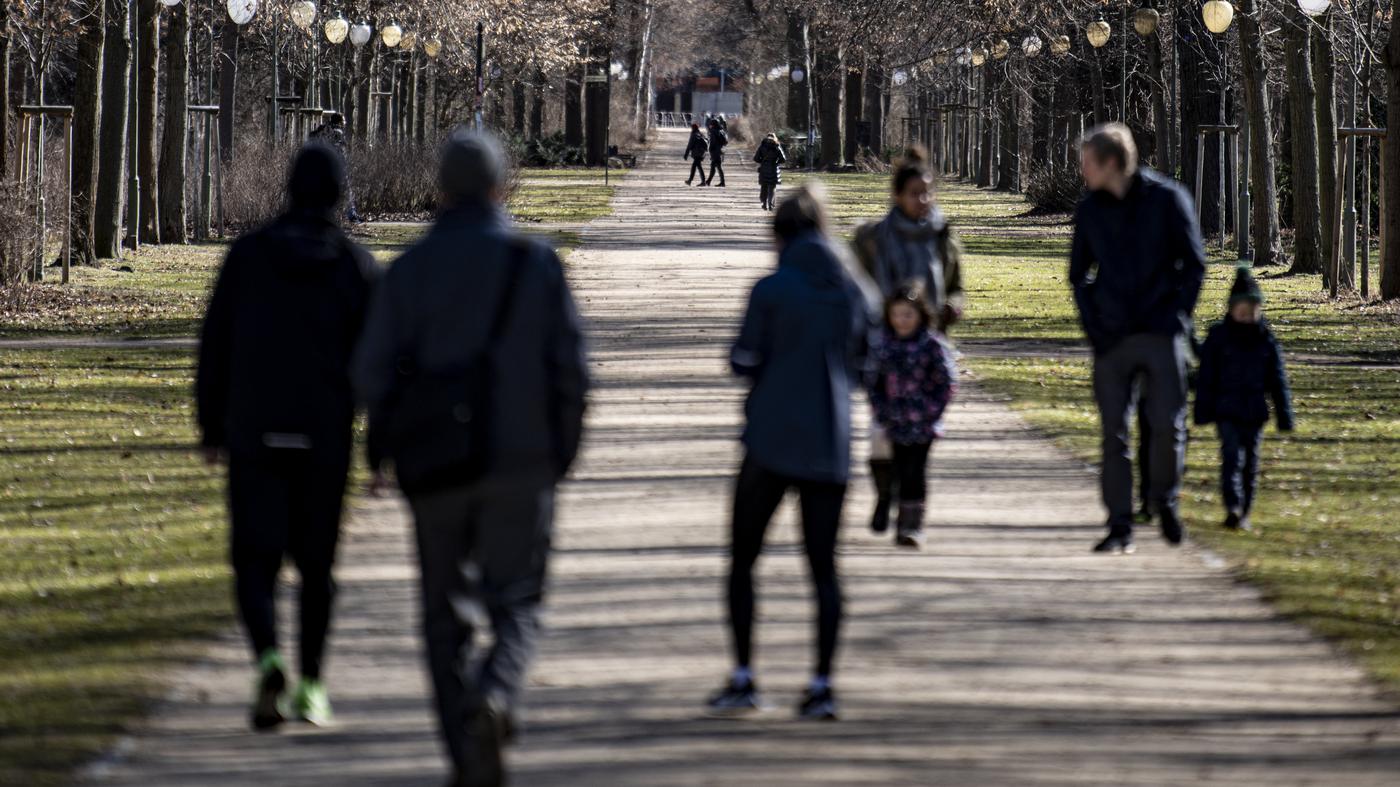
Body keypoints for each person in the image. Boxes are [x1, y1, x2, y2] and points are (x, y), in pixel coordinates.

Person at [353, 129, 588, 787]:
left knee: (441, 616)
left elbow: (370, 372)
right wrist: (559, 450)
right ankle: (498, 691)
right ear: (499, 187)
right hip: (522, 460)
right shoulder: (535, 264)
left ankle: (465, 752)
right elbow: (571, 370)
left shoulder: (409, 270)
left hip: (436, 467)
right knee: (517, 598)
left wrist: (391, 446)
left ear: (440, 192)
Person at [195, 143, 376, 731]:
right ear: (338, 193)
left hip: (255, 429)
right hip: (324, 435)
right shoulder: (354, 265)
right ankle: (313, 686)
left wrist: (210, 425)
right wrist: (380, 443)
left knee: (254, 559)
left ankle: (268, 655)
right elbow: (375, 360)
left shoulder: (247, 257)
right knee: (317, 566)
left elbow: (215, 343)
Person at [707, 184, 877, 722]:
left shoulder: (771, 289)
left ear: (779, 235)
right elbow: (867, 364)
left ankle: (744, 676)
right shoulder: (855, 292)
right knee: (824, 569)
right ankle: (822, 683)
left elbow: (743, 359)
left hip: (770, 439)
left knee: (743, 560)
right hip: (829, 441)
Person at [1070, 123, 1206, 554]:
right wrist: (1094, 327)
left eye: (1086, 163)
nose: (1081, 171)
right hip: (1112, 339)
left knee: (1168, 426)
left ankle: (1164, 499)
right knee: (1114, 434)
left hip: (1160, 332)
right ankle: (1119, 524)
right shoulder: (1090, 210)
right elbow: (1078, 275)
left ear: (1111, 163)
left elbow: (1195, 263)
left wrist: (1175, 316)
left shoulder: (1168, 200)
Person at [851, 147, 964, 538]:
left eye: (928, 192)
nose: (924, 200)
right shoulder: (873, 239)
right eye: (916, 192)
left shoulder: (941, 235)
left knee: (918, 445)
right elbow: (857, 289)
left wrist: (952, 305)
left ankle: (910, 519)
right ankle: (886, 494)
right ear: (897, 195)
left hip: (925, 354)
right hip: (885, 350)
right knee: (882, 439)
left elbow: (955, 285)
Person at [1194, 266, 1294, 532]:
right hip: (1225, 410)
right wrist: (1202, 411)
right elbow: (1206, 377)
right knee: (1231, 457)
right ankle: (1233, 506)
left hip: (1254, 412)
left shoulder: (1265, 340)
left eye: (1252, 310)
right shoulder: (1219, 338)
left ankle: (1245, 510)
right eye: (1242, 309)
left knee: (1251, 462)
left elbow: (1278, 380)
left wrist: (1284, 414)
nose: (1247, 315)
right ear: (1230, 309)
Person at [867, 284, 958, 548]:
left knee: (915, 471)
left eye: (908, 315)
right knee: (894, 466)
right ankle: (890, 507)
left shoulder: (931, 345)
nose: (902, 321)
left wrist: (932, 411)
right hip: (893, 420)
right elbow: (874, 383)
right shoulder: (884, 346)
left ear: (920, 315)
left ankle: (911, 525)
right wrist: (882, 410)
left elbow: (947, 383)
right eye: (896, 315)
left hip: (924, 423)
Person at [310, 113, 362, 223]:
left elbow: (312, 138)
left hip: (320, 167)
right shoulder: (338, 133)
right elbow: (341, 151)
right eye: (342, 121)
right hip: (336, 166)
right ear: (338, 122)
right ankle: (352, 215)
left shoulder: (322, 130)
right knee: (347, 191)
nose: (344, 124)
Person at [753, 133, 786, 211]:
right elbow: (783, 159)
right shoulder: (777, 146)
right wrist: (776, 162)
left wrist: (763, 162)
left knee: (764, 187)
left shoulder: (762, 146)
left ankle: (764, 204)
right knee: (772, 188)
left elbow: (756, 158)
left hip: (764, 169)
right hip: (773, 169)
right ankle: (771, 205)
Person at [705, 117, 728, 187]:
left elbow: (712, 142)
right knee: (713, 166)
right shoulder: (721, 130)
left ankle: (722, 182)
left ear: (713, 125)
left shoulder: (713, 131)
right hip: (719, 150)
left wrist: (710, 150)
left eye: (711, 124)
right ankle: (708, 181)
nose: (710, 125)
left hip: (715, 151)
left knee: (718, 167)